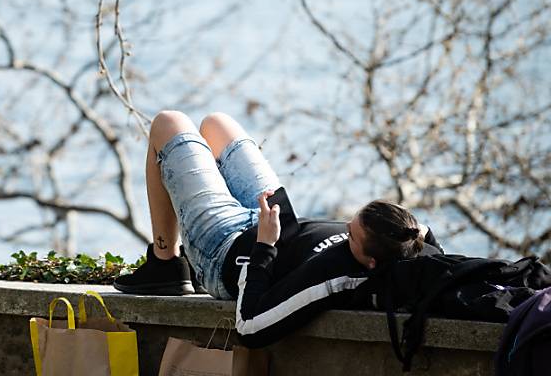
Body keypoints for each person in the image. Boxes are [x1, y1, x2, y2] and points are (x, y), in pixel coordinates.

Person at [113, 110, 443, 347]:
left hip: (224, 250)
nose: (345, 227)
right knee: (217, 124)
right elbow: (434, 254)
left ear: (370, 262)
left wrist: (265, 246)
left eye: (352, 235)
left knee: (167, 124)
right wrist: (417, 229)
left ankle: (166, 263)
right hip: (273, 220)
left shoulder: (331, 277)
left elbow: (250, 326)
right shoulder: (406, 246)